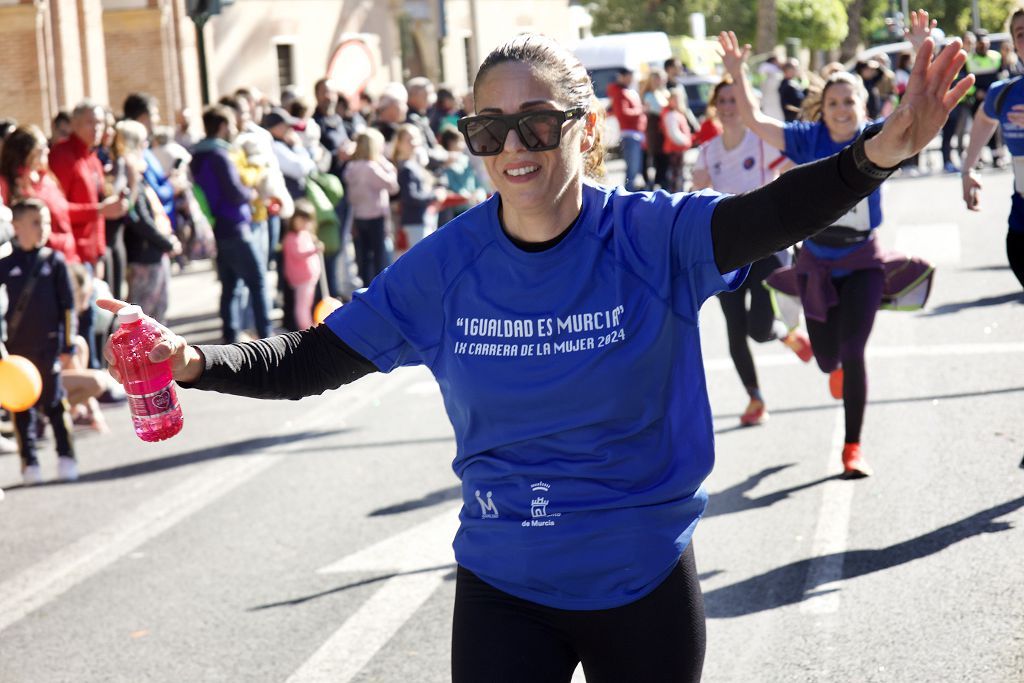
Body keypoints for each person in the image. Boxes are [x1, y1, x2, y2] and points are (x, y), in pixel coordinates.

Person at [99, 30, 970, 681]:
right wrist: (196, 362)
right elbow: (316, 358)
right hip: (504, 586)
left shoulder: (650, 235)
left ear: (583, 129)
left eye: (535, 124)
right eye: (489, 129)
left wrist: (881, 150)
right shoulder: (447, 267)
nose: (513, 148)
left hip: (644, 581)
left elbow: (771, 214)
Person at [719, 13, 939, 478]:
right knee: (826, 359)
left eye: (850, 102)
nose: (841, 109)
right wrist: (738, 73)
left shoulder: (876, 136)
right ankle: (831, 363)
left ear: (864, 106)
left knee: (855, 352)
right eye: (834, 102)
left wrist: (921, 51)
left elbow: (914, 116)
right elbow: (757, 122)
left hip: (862, 260)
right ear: (825, 108)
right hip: (816, 263)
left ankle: (853, 447)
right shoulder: (809, 140)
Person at [691, 78, 812, 426]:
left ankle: (784, 334)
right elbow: (696, 195)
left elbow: (797, 175)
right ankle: (755, 399)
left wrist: (792, 215)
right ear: (715, 106)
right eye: (723, 101)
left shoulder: (761, 143)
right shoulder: (708, 151)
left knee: (758, 329)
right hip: (725, 252)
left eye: (734, 100)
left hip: (765, 249)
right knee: (734, 328)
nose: (729, 107)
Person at [0, 199, 78, 485]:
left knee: (56, 403)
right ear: (16, 226)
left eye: (45, 222)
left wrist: (68, 345)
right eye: (35, 222)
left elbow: (68, 307)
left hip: (49, 347)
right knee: (22, 408)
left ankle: (66, 455)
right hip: (18, 352)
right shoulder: (5, 265)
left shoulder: (54, 262)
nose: (43, 228)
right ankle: (29, 462)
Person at [49, 101, 129, 367]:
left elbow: (100, 212)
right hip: (72, 251)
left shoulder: (92, 156)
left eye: (99, 123)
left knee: (95, 316)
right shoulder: (62, 156)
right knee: (81, 319)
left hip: (92, 251)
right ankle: (90, 376)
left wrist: (99, 251)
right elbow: (59, 210)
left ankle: (97, 371)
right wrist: (99, 210)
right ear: (73, 124)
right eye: (89, 123)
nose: (96, 129)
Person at [190, 105, 273, 343]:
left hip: (218, 226)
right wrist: (252, 193)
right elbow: (235, 192)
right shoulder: (218, 155)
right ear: (223, 126)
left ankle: (230, 336)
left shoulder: (198, 155)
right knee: (257, 281)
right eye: (232, 124)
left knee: (230, 286)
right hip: (235, 225)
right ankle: (266, 336)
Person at [961, 8, 1024, 292]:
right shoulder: (1005, 93)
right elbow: (985, 119)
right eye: (1021, 35)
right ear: (1013, 44)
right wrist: (968, 169)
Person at [115, 120, 181, 322]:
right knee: (146, 320)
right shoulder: (128, 170)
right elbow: (138, 217)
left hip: (151, 252)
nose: (147, 146)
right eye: (143, 141)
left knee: (157, 315)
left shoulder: (137, 171)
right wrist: (166, 242)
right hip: (144, 255)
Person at [343, 128, 398, 287]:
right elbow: (393, 186)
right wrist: (385, 163)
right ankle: (379, 287)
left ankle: (367, 287)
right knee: (379, 255)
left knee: (364, 256)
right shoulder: (372, 167)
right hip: (376, 215)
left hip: (359, 215)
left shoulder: (351, 166)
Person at [392, 123, 443, 251]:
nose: (413, 143)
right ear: (399, 144)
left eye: (415, 138)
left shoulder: (413, 164)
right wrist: (434, 195)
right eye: (409, 140)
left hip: (421, 220)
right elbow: (411, 196)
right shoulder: (406, 168)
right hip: (414, 222)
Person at [281, 199, 322, 329]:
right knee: (302, 306)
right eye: (301, 220)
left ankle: (308, 325)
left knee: (308, 303)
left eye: (307, 220)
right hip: (301, 278)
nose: (304, 224)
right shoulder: (291, 238)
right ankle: (305, 328)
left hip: (309, 278)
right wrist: (314, 250)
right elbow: (298, 253)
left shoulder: (305, 234)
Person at [607, 68, 647, 190]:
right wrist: (641, 110)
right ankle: (628, 195)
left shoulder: (627, 91)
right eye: (629, 76)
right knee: (632, 169)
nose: (631, 79)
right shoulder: (620, 93)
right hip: (629, 134)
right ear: (622, 77)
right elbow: (622, 113)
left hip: (637, 133)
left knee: (636, 169)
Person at [640, 69, 671, 189]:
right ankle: (656, 183)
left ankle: (661, 181)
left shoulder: (664, 92)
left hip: (664, 130)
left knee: (663, 158)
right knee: (656, 157)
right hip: (654, 131)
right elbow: (658, 109)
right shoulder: (649, 95)